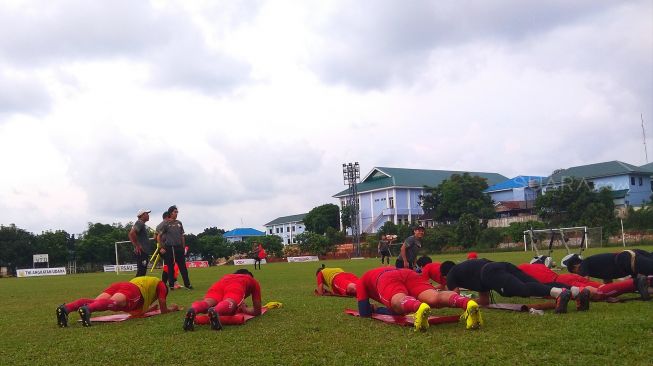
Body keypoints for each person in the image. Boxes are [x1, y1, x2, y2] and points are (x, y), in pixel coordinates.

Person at [356, 267, 482, 331]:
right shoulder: (377, 271)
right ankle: (467, 303)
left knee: (398, 301)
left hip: (385, 278)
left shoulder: (361, 282)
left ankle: (418, 307)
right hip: (408, 273)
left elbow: (364, 313)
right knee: (434, 297)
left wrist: (377, 309)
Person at [444, 259, 590, 313]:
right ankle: (576, 292)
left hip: (489, 273)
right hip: (500, 265)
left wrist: (444, 297)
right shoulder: (466, 270)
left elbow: (455, 298)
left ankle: (558, 293)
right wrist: (475, 303)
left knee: (522, 289)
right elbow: (484, 301)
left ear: (444, 275)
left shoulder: (450, 275)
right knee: (537, 285)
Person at [55, 276, 178, 327]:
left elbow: (137, 312)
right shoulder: (161, 285)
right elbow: (163, 307)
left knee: (95, 302)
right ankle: (88, 309)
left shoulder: (148, 282)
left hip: (123, 284)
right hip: (133, 291)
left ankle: (66, 308)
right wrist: (171, 309)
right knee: (113, 304)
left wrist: (150, 309)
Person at [518, 257, 647, 301]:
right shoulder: (535, 266)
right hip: (566, 276)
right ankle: (646, 283)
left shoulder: (518, 272)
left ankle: (634, 284)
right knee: (599, 286)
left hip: (560, 283)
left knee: (596, 293)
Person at [183, 269, 262, 331]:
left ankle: (194, 309)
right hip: (236, 285)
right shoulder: (251, 280)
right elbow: (257, 311)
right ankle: (215, 310)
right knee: (230, 302)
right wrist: (245, 309)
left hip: (219, 285)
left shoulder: (227, 276)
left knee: (208, 302)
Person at [562, 250, 652, 300]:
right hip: (628, 259)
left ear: (575, 267)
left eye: (575, 273)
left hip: (627, 261)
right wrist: (607, 294)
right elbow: (608, 282)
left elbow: (585, 282)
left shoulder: (584, 264)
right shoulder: (594, 265)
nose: (578, 275)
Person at [160, 205, 192, 290]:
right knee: (170, 267)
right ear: (170, 213)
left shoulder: (179, 223)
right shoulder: (166, 223)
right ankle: (171, 285)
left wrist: (183, 246)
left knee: (183, 267)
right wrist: (162, 247)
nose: (176, 213)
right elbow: (159, 236)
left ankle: (187, 284)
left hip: (179, 248)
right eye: (175, 212)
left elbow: (182, 235)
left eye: (177, 212)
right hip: (170, 248)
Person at [128, 209, 152, 277]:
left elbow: (130, 234)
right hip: (142, 251)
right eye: (146, 213)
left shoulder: (141, 223)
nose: (148, 215)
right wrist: (137, 245)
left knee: (142, 271)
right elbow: (131, 233)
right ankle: (135, 286)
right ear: (142, 215)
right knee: (141, 272)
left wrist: (136, 245)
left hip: (143, 251)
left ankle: (137, 286)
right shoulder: (140, 222)